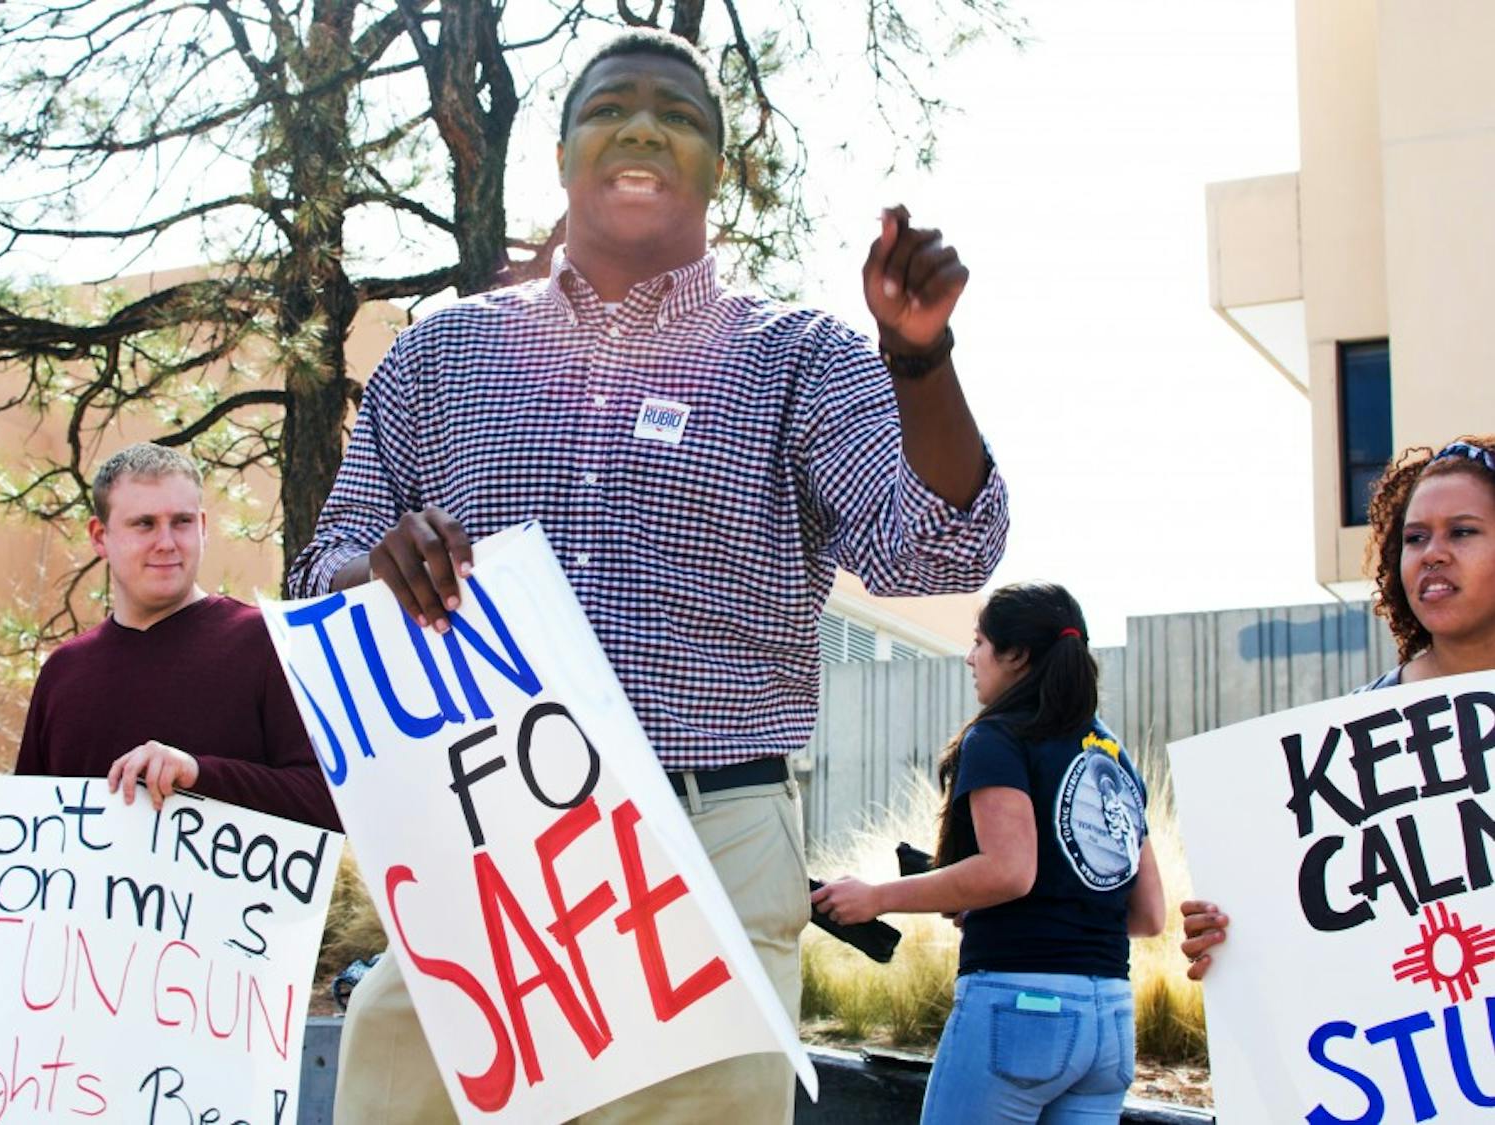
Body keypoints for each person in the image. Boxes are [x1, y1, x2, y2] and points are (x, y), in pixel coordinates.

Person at [287, 28, 1009, 1125]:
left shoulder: (801, 355)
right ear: (565, 153)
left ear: (721, 169)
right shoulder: (443, 354)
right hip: (481, 844)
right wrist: (371, 565)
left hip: (706, 840)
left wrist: (918, 359)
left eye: (679, 115)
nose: (641, 128)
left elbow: (938, 547)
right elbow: (317, 573)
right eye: (609, 107)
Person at [813, 582, 1166, 1125]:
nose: (969, 657)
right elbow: (1147, 916)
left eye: (979, 642)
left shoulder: (1000, 737)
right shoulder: (1113, 757)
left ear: (1017, 655)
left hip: (1019, 1011)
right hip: (1111, 1022)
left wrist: (876, 897)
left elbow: (1008, 871)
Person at [1180, 434, 1495, 978]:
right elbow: (1307, 916)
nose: (1433, 553)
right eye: (1415, 538)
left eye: (1463, 532)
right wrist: (1230, 933)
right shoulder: (1351, 733)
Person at [16, 442, 340, 831]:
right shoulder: (62, 673)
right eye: (144, 523)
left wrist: (199, 775)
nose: (166, 542)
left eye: (182, 522)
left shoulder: (266, 642)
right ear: (100, 536)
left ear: (203, 528)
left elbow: (329, 803)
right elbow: (28, 830)